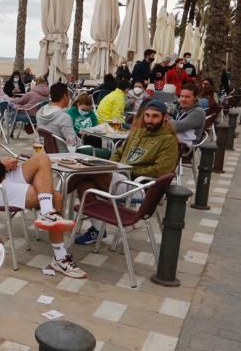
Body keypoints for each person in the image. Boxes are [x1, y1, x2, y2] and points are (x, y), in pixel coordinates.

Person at [0, 103, 82, 277]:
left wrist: (3, 165)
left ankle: (47, 213)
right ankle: (60, 258)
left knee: (41, 158)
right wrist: (0, 166)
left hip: (1, 178)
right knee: (55, 196)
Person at [73, 100, 179, 246]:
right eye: (147, 115)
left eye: (155, 116)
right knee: (84, 185)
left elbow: (160, 170)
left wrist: (128, 170)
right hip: (120, 176)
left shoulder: (168, 140)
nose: (150, 120)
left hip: (139, 185)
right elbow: (118, 152)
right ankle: (97, 230)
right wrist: (115, 165)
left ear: (164, 118)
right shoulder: (136, 133)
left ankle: (53, 203)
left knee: (88, 172)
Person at [36, 83, 80, 149]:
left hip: (47, 153)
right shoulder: (64, 117)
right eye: (69, 95)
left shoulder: (40, 112)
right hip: (65, 155)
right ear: (65, 96)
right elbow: (73, 143)